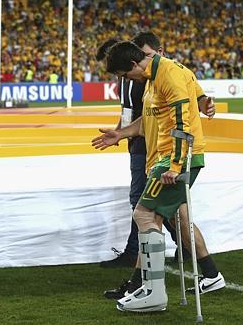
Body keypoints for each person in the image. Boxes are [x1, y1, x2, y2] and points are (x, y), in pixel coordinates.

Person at [93, 41, 225, 312]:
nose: (125, 80)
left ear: (133, 64)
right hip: (163, 160)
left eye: (124, 75)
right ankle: (152, 286)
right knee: (158, 218)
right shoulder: (152, 79)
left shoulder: (168, 74)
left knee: (144, 215)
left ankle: (152, 292)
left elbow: (182, 123)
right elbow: (149, 121)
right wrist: (120, 133)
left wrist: (176, 166)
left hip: (176, 160)